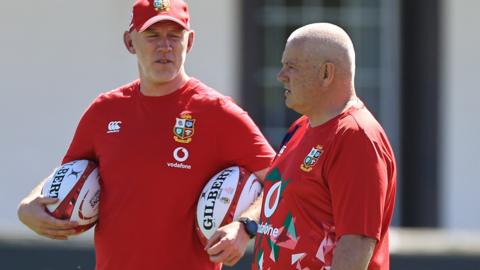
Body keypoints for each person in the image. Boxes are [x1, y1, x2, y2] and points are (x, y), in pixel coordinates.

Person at [17, 0, 275, 269]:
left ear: (190, 42)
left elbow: (281, 182)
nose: (165, 46)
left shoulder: (219, 113)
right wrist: (27, 206)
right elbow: (68, 172)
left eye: (174, 36)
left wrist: (246, 226)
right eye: (152, 35)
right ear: (130, 42)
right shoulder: (104, 110)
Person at [252, 23, 397, 270]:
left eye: (292, 67)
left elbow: (356, 243)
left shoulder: (356, 136)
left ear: (326, 73)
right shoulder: (300, 127)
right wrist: (244, 223)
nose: (281, 75)